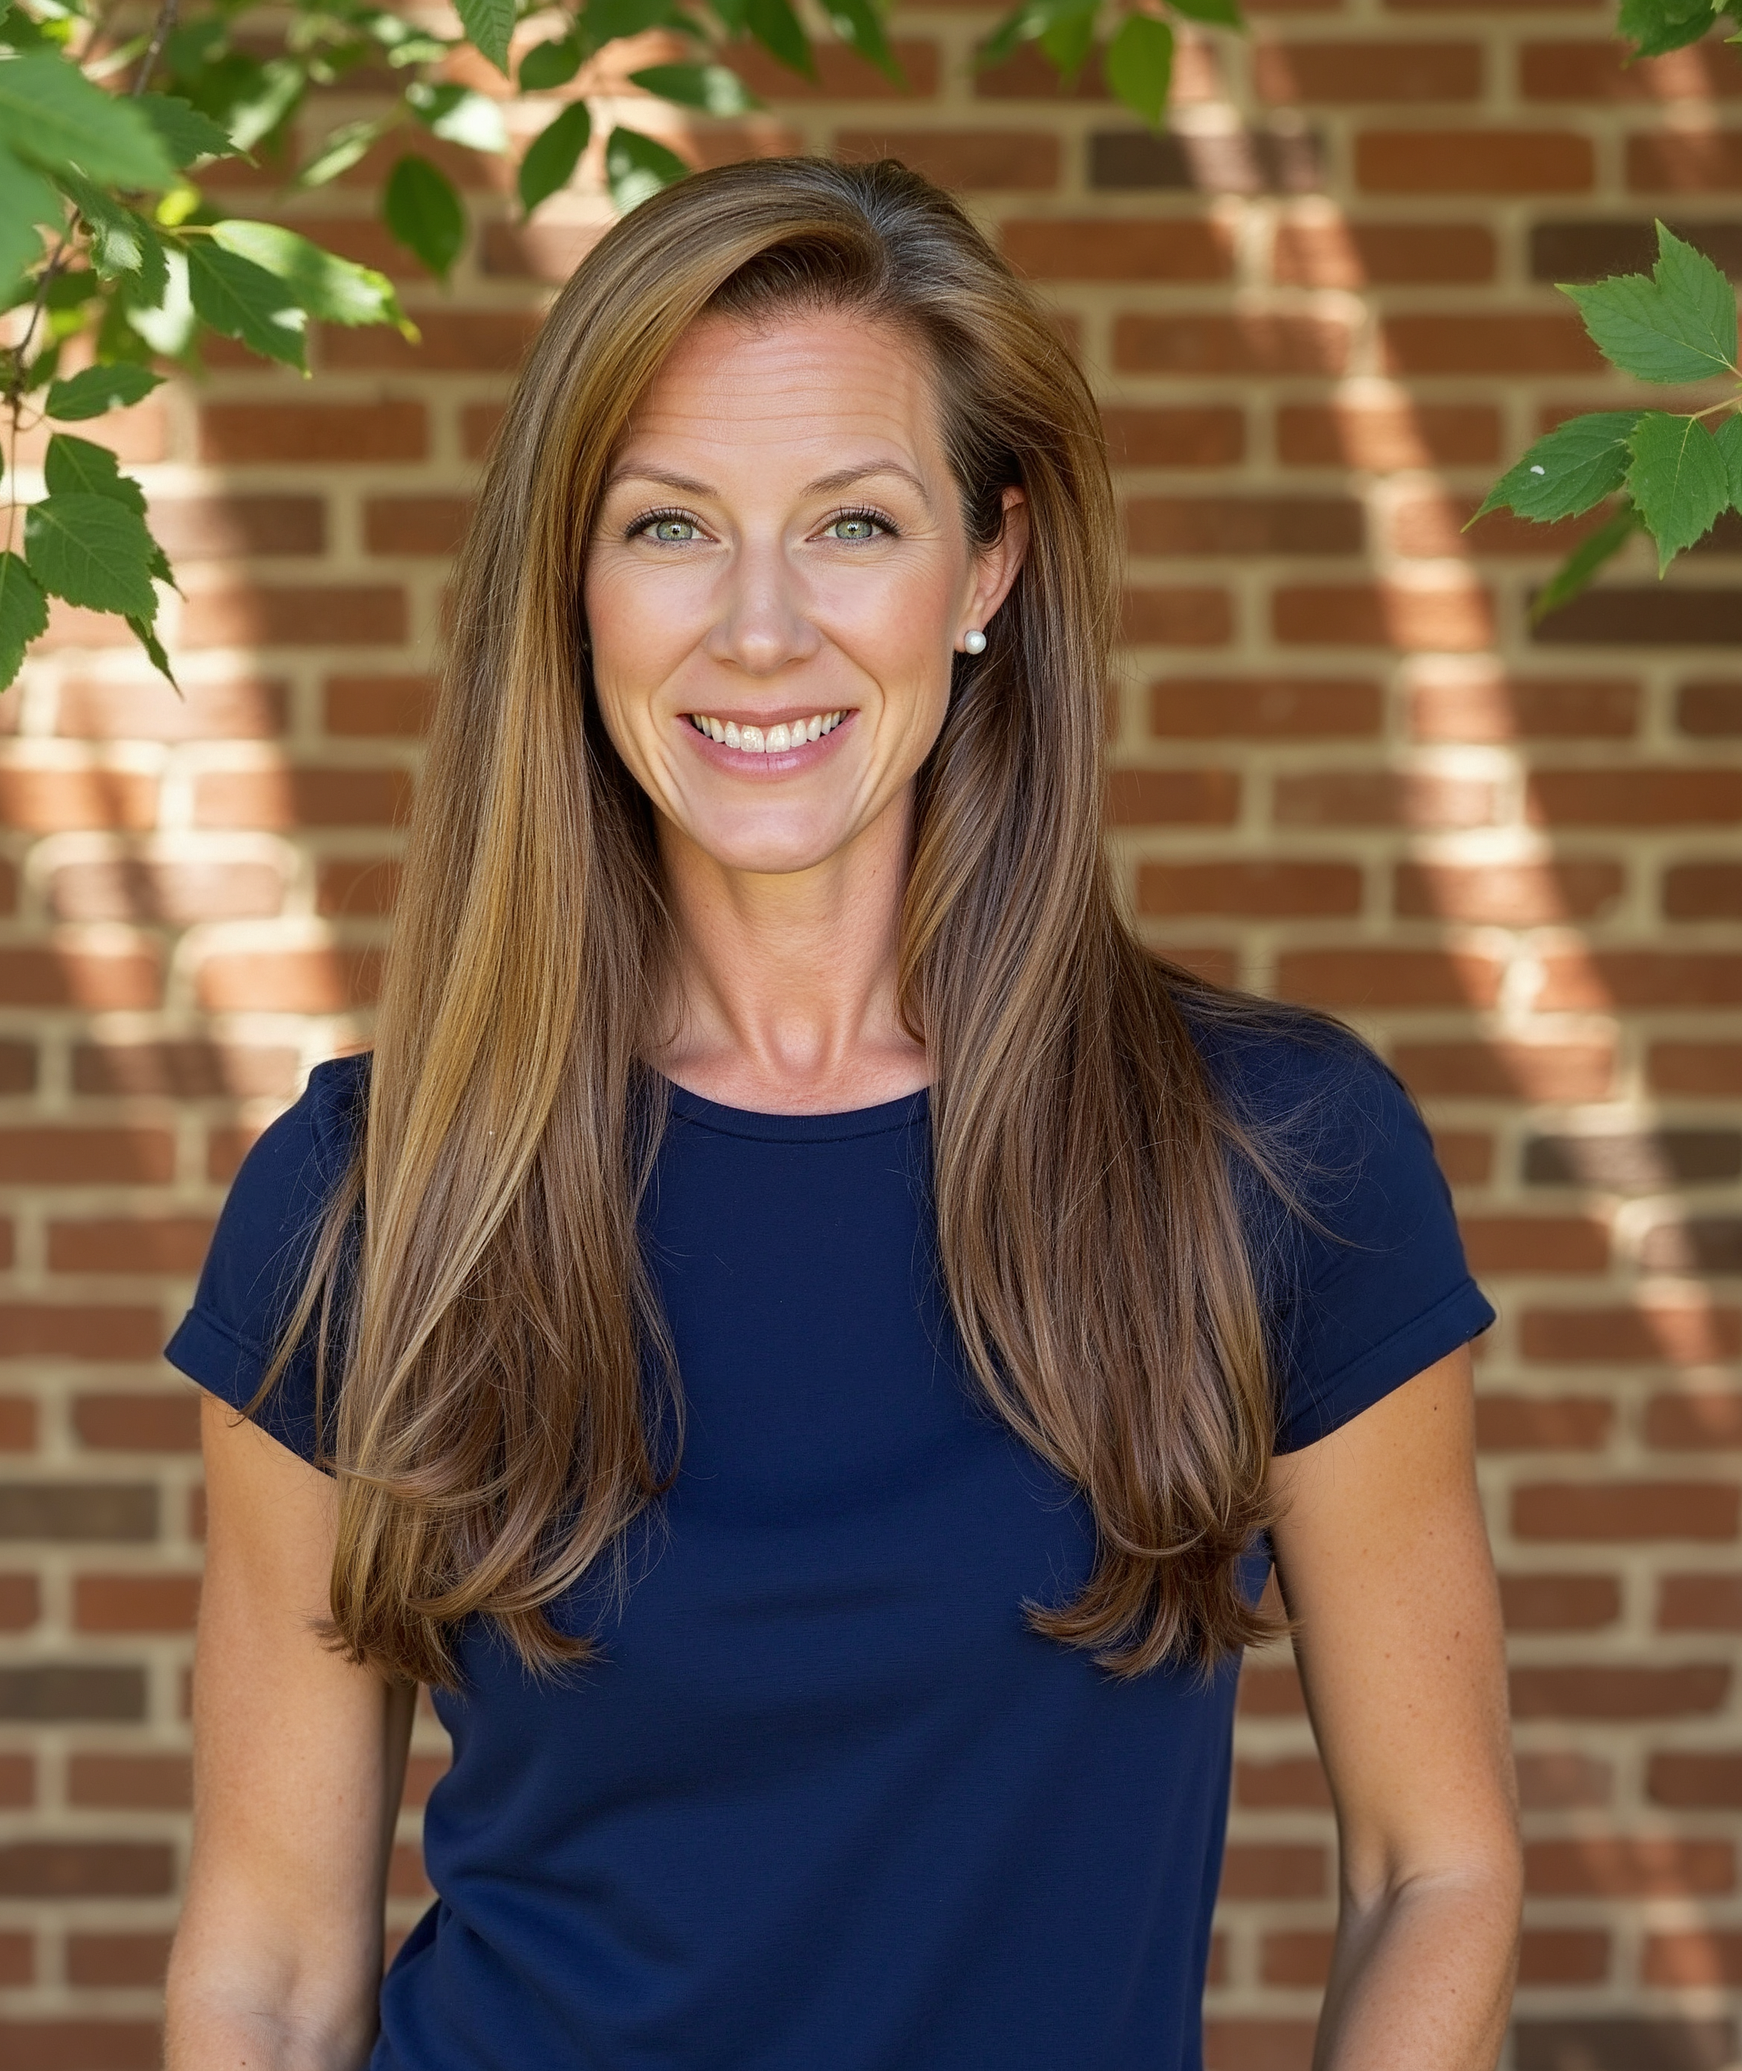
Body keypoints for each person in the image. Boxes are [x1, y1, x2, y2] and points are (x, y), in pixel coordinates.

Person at [162, 156, 1519, 2071]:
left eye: (854, 523)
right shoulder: (374, 1203)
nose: (761, 628)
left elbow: (1433, 1870)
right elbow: (269, 1965)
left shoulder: (1268, 1160)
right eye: (669, 526)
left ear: (989, 567)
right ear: (571, 584)